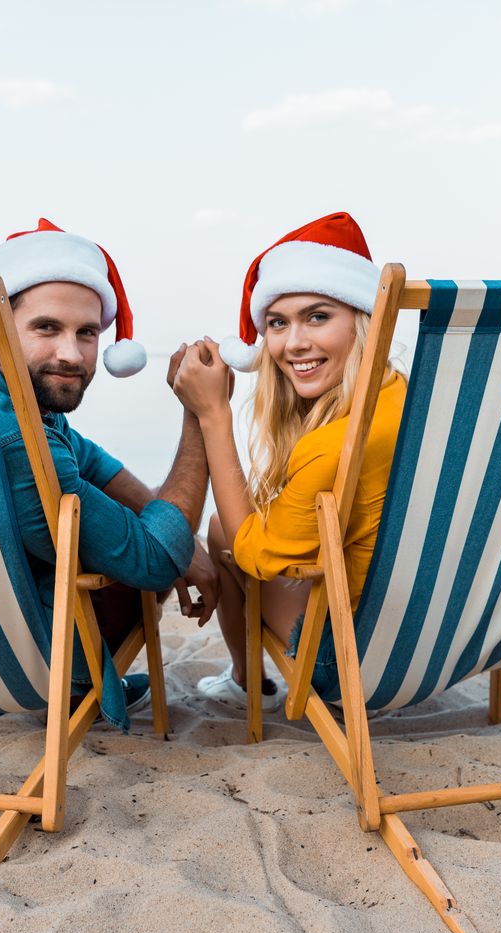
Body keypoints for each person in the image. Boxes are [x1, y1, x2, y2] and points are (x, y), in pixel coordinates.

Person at [0, 218, 219, 730]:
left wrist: (191, 546)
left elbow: (90, 461)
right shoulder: (21, 441)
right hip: (32, 663)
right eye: (47, 327)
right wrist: (200, 415)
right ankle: (82, 683)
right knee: (144, 565)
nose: (70, 353)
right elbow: (155, 561)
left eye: (86, 333)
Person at [171, 212, 406, 710]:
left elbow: (254, 554)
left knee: (222, 530)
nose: (294, 343)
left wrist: (212, 414)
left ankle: (244, 678)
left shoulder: (331, 448)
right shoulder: (408, 400)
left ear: (364, 320)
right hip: (439, 637)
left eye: (318, 316)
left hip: (352, 660)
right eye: (277, 323)